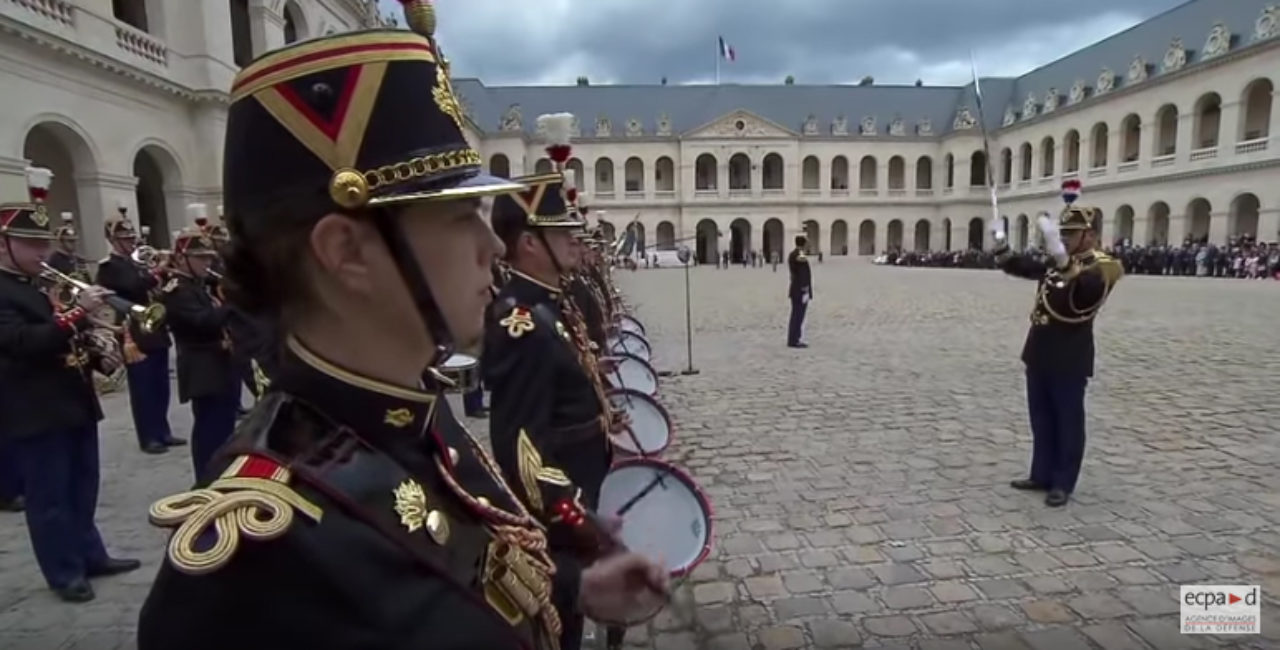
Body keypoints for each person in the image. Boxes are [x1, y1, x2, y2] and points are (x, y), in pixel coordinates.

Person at [136, 5, 665, 648]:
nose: (494, 247)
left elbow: (474, 568)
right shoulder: (253, 564)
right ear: (348, 253)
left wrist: (575, 589)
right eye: (457, 216)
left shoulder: (414, 411)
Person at [486, 171, 621, 650]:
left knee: (574, 613)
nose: (572, 239)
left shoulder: (547, 304)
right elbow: (520, 449)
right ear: (528, 243)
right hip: (561, 508)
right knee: (560, 618)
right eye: (559, 232)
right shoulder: (519, 320)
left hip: (582, 478)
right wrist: (574, 514)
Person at [0, 167, 140, 602]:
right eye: (32, 243)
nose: (43, 251)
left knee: (83, 483)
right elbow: (22, 342)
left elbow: (62, 333)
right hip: (35, 405)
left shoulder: (38, 283)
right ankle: (64, 572)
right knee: (50, 496)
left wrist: (99, 340)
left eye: (43, 242)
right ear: (3, 245)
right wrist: (77, 313)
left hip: (73, 398)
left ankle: (89, 554)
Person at [994, 182, 1124, 508]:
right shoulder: (1059, 258)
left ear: (1090, 235)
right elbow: (1029, 268)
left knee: (1068, 420)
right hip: (1039, 349)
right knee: (1041, 417)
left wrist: (1065, 260)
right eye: (1062, 233)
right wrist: (1002, 248)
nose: (1064, 238)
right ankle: (1041, 473)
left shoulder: (1104, 263)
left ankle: (1063, 482)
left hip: (1069, 353)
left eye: (1072, 233)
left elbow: (1089, 291)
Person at [158, 205, 240, 478]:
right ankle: (206, 481)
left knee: (225, 428)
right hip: (202, 368)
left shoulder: (198, 287)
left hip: (220, 365)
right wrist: (231, 302)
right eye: (200, 258)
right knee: (210, 431)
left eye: (208, 258)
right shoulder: (177, 290)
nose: (207, 263)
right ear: (182, 259)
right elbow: (203, 322)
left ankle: (220, 476)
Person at [95, 209, 180, 454]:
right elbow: (133, 286)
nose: (132, 241)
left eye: (132, 236)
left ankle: (163, 431)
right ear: (113, 240)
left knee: (160, 384)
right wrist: (159, 271)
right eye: (126, 238)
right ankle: (148, 436)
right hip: (134, 330)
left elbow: (151, 287)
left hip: (154, 327)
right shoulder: (109, 266)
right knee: (143, 388)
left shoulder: (135, 263)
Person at [787, 234, 813, 348]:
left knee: (796, 315)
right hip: (800, 290)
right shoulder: (799, 254)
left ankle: (793, 338)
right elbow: (803, 272)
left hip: (796, 288)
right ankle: (794, 339)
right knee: (798, 315)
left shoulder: (794, 253)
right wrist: (805, 288)